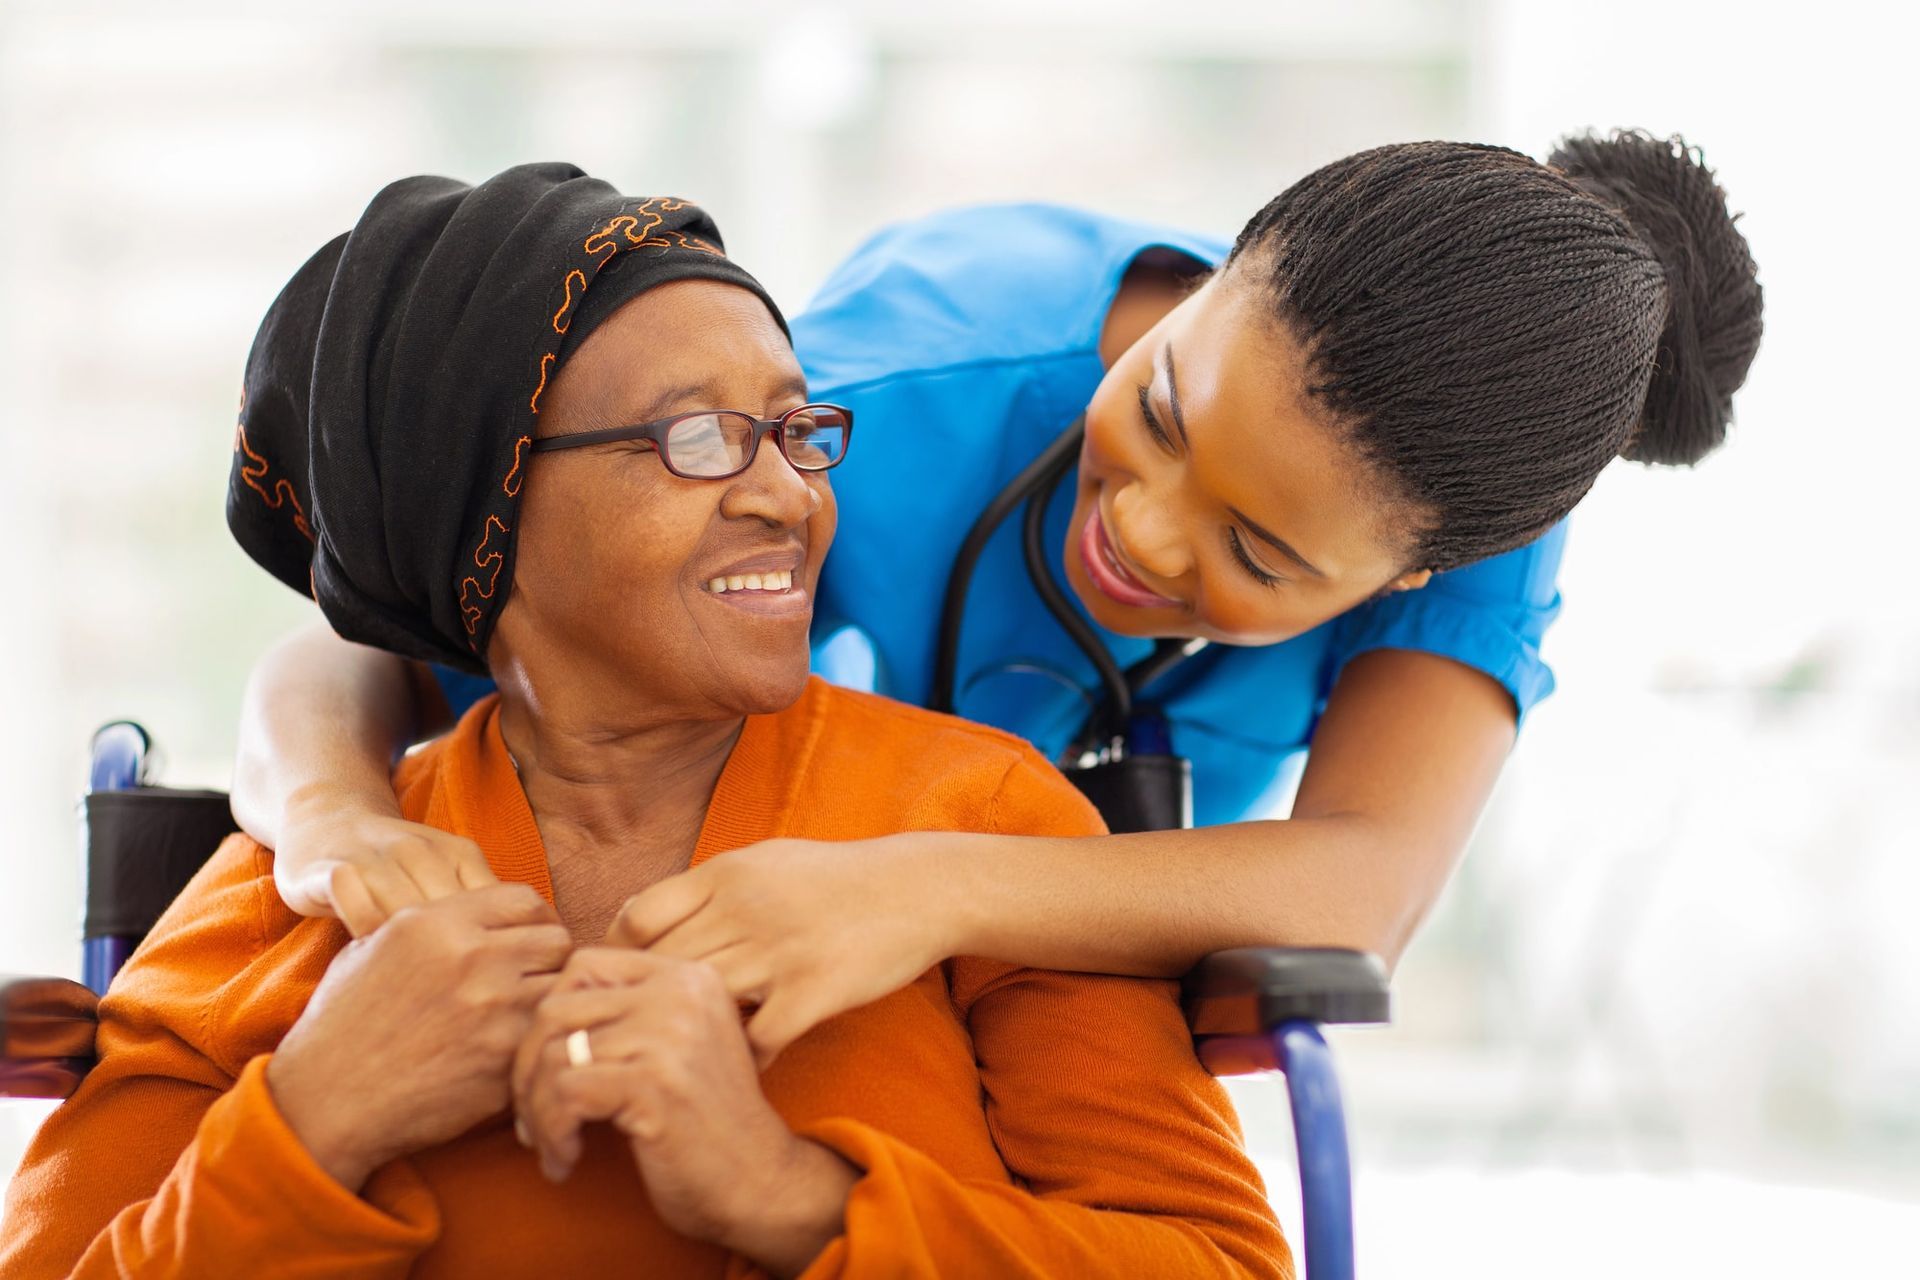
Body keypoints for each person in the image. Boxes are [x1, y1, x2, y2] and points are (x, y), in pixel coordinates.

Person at [0, 166, 1288, 1280]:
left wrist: (782, 1195)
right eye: (699, 439)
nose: (790, 495)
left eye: (795, 429)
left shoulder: (981, 822)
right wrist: (316, 1121)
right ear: (484, 514)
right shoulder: (301, 888)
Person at [230, 132, 1764, 1064]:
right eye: (1159, 411)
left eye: (1262, 556)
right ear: (1217, 278)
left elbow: (1363, 891)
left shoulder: (1468, 512)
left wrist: (922, 885)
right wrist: (333, 820)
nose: (1148, 539)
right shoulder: (894, 392)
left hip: (1001, 1057)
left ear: (1414, 573)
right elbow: (351, 650)